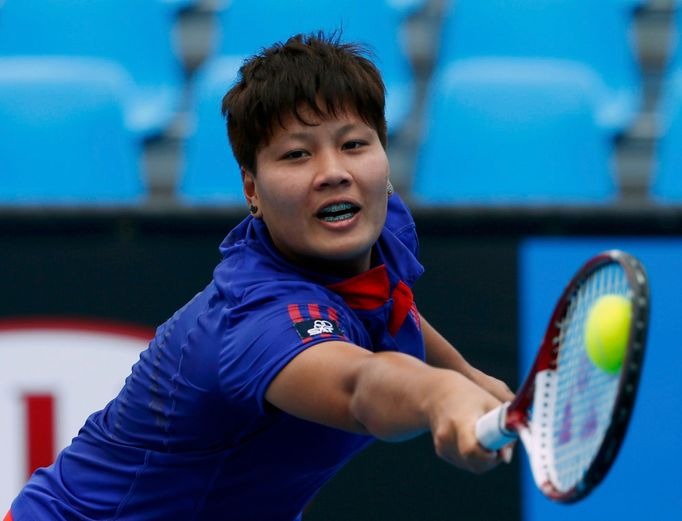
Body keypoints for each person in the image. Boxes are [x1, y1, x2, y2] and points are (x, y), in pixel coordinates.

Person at [6, 32, 514, 521]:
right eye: (297, 154)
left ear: (385, 158)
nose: (334, 171)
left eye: (355, 144)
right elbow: (360, 386)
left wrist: (469, 379)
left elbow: (390, 305)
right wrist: (438, 395)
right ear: (252, 188)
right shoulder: (259, 321)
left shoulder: (375, 230)